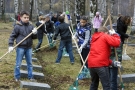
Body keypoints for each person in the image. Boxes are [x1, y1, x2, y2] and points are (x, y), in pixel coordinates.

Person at [8, 11, 38, 82]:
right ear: (21, 18)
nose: (27, 19)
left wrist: (35, 33)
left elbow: (34, 37)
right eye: (25, 17)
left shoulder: (31, 26)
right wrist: (10, 45)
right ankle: (17, 77)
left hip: (29, 48)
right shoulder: (17, 26)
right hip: (20, 47)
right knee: (18, 64)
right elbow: (12, 36)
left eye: (28, 17)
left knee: (30, 64)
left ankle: (30, 76)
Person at [108, 15, 131, 90]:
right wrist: (118, 61)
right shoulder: (119, 25)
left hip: (110, 61)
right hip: (112, 62)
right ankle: (113, 87)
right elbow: (120, 32)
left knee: (112, 76)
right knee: (112, 77)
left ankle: (112, 86)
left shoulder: (123, 23)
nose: (128, 22)